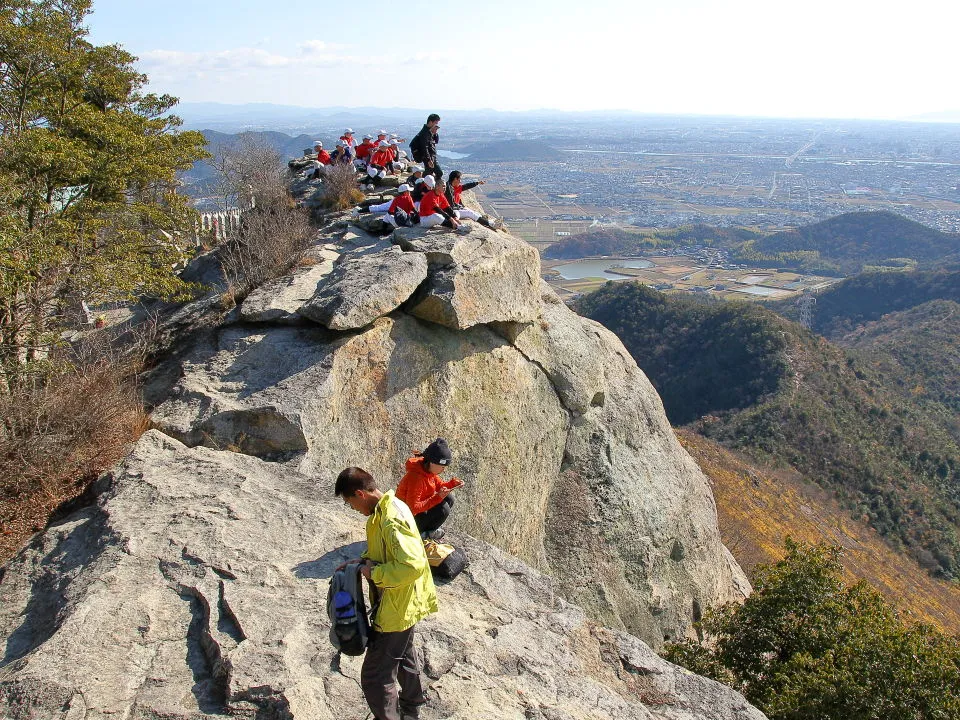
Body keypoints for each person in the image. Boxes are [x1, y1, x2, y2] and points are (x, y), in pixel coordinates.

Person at [335, 467, 438, 720]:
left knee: (375, 676)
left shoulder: (391, 518)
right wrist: (361, 562)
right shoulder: (386, 509)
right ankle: (412, 706)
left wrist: (375, 574)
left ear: (360, 493)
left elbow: (411, 565)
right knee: (403, 653)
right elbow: (388, 552)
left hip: (397, 607)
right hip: (405, 603)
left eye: (351, 504)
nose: (354, 509)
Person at [395, 438, 463, 539]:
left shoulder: (428, 472)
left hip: (416, 514)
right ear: (432, 462)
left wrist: (453, 484)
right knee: (443, 509)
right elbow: (413, 507)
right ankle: (420, 535)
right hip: (406, 520)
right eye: (442, 466)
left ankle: (425, 530)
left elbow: (441, 486)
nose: (443, 469)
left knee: (449, 498)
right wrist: (437, 498)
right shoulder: (417, 478)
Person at [410, 114, 441, 180]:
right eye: (435, 123)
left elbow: (436, 141)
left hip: (431, 156)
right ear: (430, 122)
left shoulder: (429, 131)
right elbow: (424, 147)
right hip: (428, 157)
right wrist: (429, 160)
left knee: (429, 173)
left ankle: (425, 185)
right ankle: (423, 185)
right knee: (438, 173)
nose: (436, 125)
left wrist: (435, 133)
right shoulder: (424, 133)